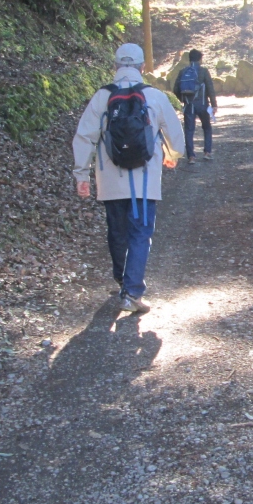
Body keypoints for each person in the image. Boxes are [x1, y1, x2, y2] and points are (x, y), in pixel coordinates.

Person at [72, 43, 185, 313]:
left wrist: (81, 173)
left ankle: (123, 280)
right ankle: (132, 292)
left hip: (110, 180)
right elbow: (175, 134)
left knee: (117, 231)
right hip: (145, 180)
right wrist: (173, 155)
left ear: (115, 66)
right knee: (140, 234)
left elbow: (85, 136)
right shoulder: (154, 96)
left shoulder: (102, 97)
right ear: (142, 67)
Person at [172, 48, 218, 163]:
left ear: (189, 59)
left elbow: (176, 89)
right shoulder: (203, 71)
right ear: (200, 59)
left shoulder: (183, 71)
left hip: (189, 105)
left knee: (189, 130)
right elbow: (210, 88)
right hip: (202, 104)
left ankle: (191, 157)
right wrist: (214, 105)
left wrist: (183, 100)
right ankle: (207, 152)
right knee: (206, 127)